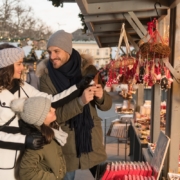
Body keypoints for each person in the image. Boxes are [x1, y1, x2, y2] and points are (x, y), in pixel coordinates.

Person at [0, 43, 94, 180]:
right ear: (6, 66)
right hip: (4, 163)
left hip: (25, 160)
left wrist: (78, 87)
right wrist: (25, 140)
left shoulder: (23, 86)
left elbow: (51, 100)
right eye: (19, 64)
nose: (22, 67)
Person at [37, 30, 112, 179]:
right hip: (65, 147)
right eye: (49, 52)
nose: (52, 57)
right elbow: (52, 115)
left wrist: (101, 96)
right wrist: (80, 102)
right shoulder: (46, 79)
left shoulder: (88, 70)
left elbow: (106, 106)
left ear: (67, 50)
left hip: (91, 141)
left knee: (105, 177)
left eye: (56, 51)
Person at [10, 96, 67, 180]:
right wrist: (54, 177)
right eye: (49, 110)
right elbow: (26, 172)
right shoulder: (38, 140)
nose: (54, 109)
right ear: (40, 118)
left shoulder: (53, 130)